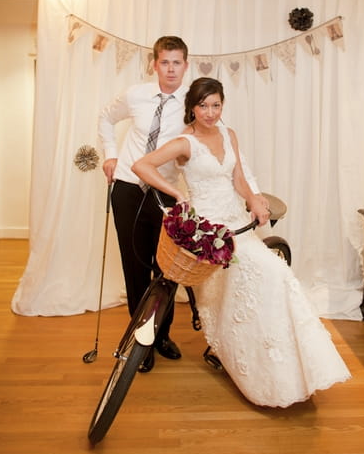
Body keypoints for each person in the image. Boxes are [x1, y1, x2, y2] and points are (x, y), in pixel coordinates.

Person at [132, 77, 351, 407]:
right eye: (203, 106)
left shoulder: (228, 134)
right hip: (211, 230)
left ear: (223, 105)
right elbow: (141, 165)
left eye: (216, 105)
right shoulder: (184, 142)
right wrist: (178, 194)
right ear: (192, 108)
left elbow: (238, 178)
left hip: (238, 222)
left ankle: (280, 363)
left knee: (272, 278)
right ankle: (235, 355)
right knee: (245, 283)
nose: (210, 112)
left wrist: (254, 199)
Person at [99, 38, 267, 374]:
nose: (171, 69)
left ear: (186, 65)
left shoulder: (195, 103)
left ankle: (160, 335)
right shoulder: (135, 95)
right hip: (129, 188)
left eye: (177, 63)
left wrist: (255, 194)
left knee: (167, 269)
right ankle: (139, 341)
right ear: (154, 64)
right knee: (135, 268)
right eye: (165, 62)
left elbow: (232, 157)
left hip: (166, 193)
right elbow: (105, 117)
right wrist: (110, 155)